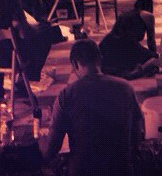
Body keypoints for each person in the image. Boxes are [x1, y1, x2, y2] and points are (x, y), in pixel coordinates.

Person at [44, 39, 143, 176]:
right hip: (121, 171)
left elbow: (52, 148)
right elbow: (137, 136)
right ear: (99, 59)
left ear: (75, 64)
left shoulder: (66, 95)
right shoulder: (126, 88)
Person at [99, 0, 158, 79]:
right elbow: (151, 41)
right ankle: (133, 73)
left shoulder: (125, 14)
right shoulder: (148, 16)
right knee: (155, 58)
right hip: (126, 47)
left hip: (107, 46)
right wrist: (153, 55)